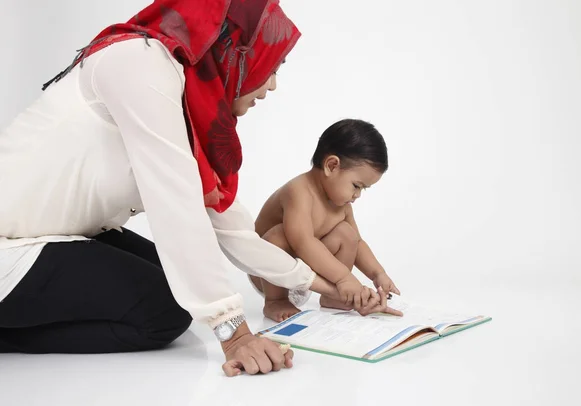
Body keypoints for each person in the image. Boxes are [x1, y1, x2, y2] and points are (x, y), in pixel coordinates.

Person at [0, 0, 396, 376]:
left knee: (173, 289)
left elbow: (231, 229)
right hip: (10, 245)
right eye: (271, 64)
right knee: (164, 314)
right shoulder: (139, 65)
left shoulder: (181, 93)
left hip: (52, 232)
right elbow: (176, 208)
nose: (272, 84)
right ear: (236, 49)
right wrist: (233, 332)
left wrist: (336, 288)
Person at [250, 119, 402, 322]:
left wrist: (378, 274)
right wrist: (344, 278)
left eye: (363, 189)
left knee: (347, 234)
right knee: (279, 235)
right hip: (269, 275)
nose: (357, 195)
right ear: (332, 166)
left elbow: (357, 242)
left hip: (312, 274)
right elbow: (302, 243)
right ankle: (275, 301)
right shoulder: (299, 192)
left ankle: (333, 297)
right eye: (356, 185)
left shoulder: (342, 205)